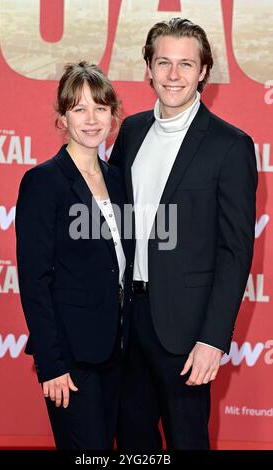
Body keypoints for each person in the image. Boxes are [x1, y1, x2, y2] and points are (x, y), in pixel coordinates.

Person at [109, 18, 257, 450]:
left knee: (186, 440)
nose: (174, 75)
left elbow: (235, 251)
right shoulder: (131, 131)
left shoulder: (230, 145)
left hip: (186, 331)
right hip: (125, 321)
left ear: (204, 71)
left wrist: (213, 339)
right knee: (132, 441)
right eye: (164, 63)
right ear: (148, 69)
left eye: (186, 64)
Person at [15, 62, 133, 450]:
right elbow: (34, 282)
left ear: (112, 114)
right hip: (70, 360)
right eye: (79, 108)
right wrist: (51, 365)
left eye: (100, 107)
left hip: (117, 352)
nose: (91, 119)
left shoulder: (117, 178)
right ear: (62, 116)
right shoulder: (43, 182)